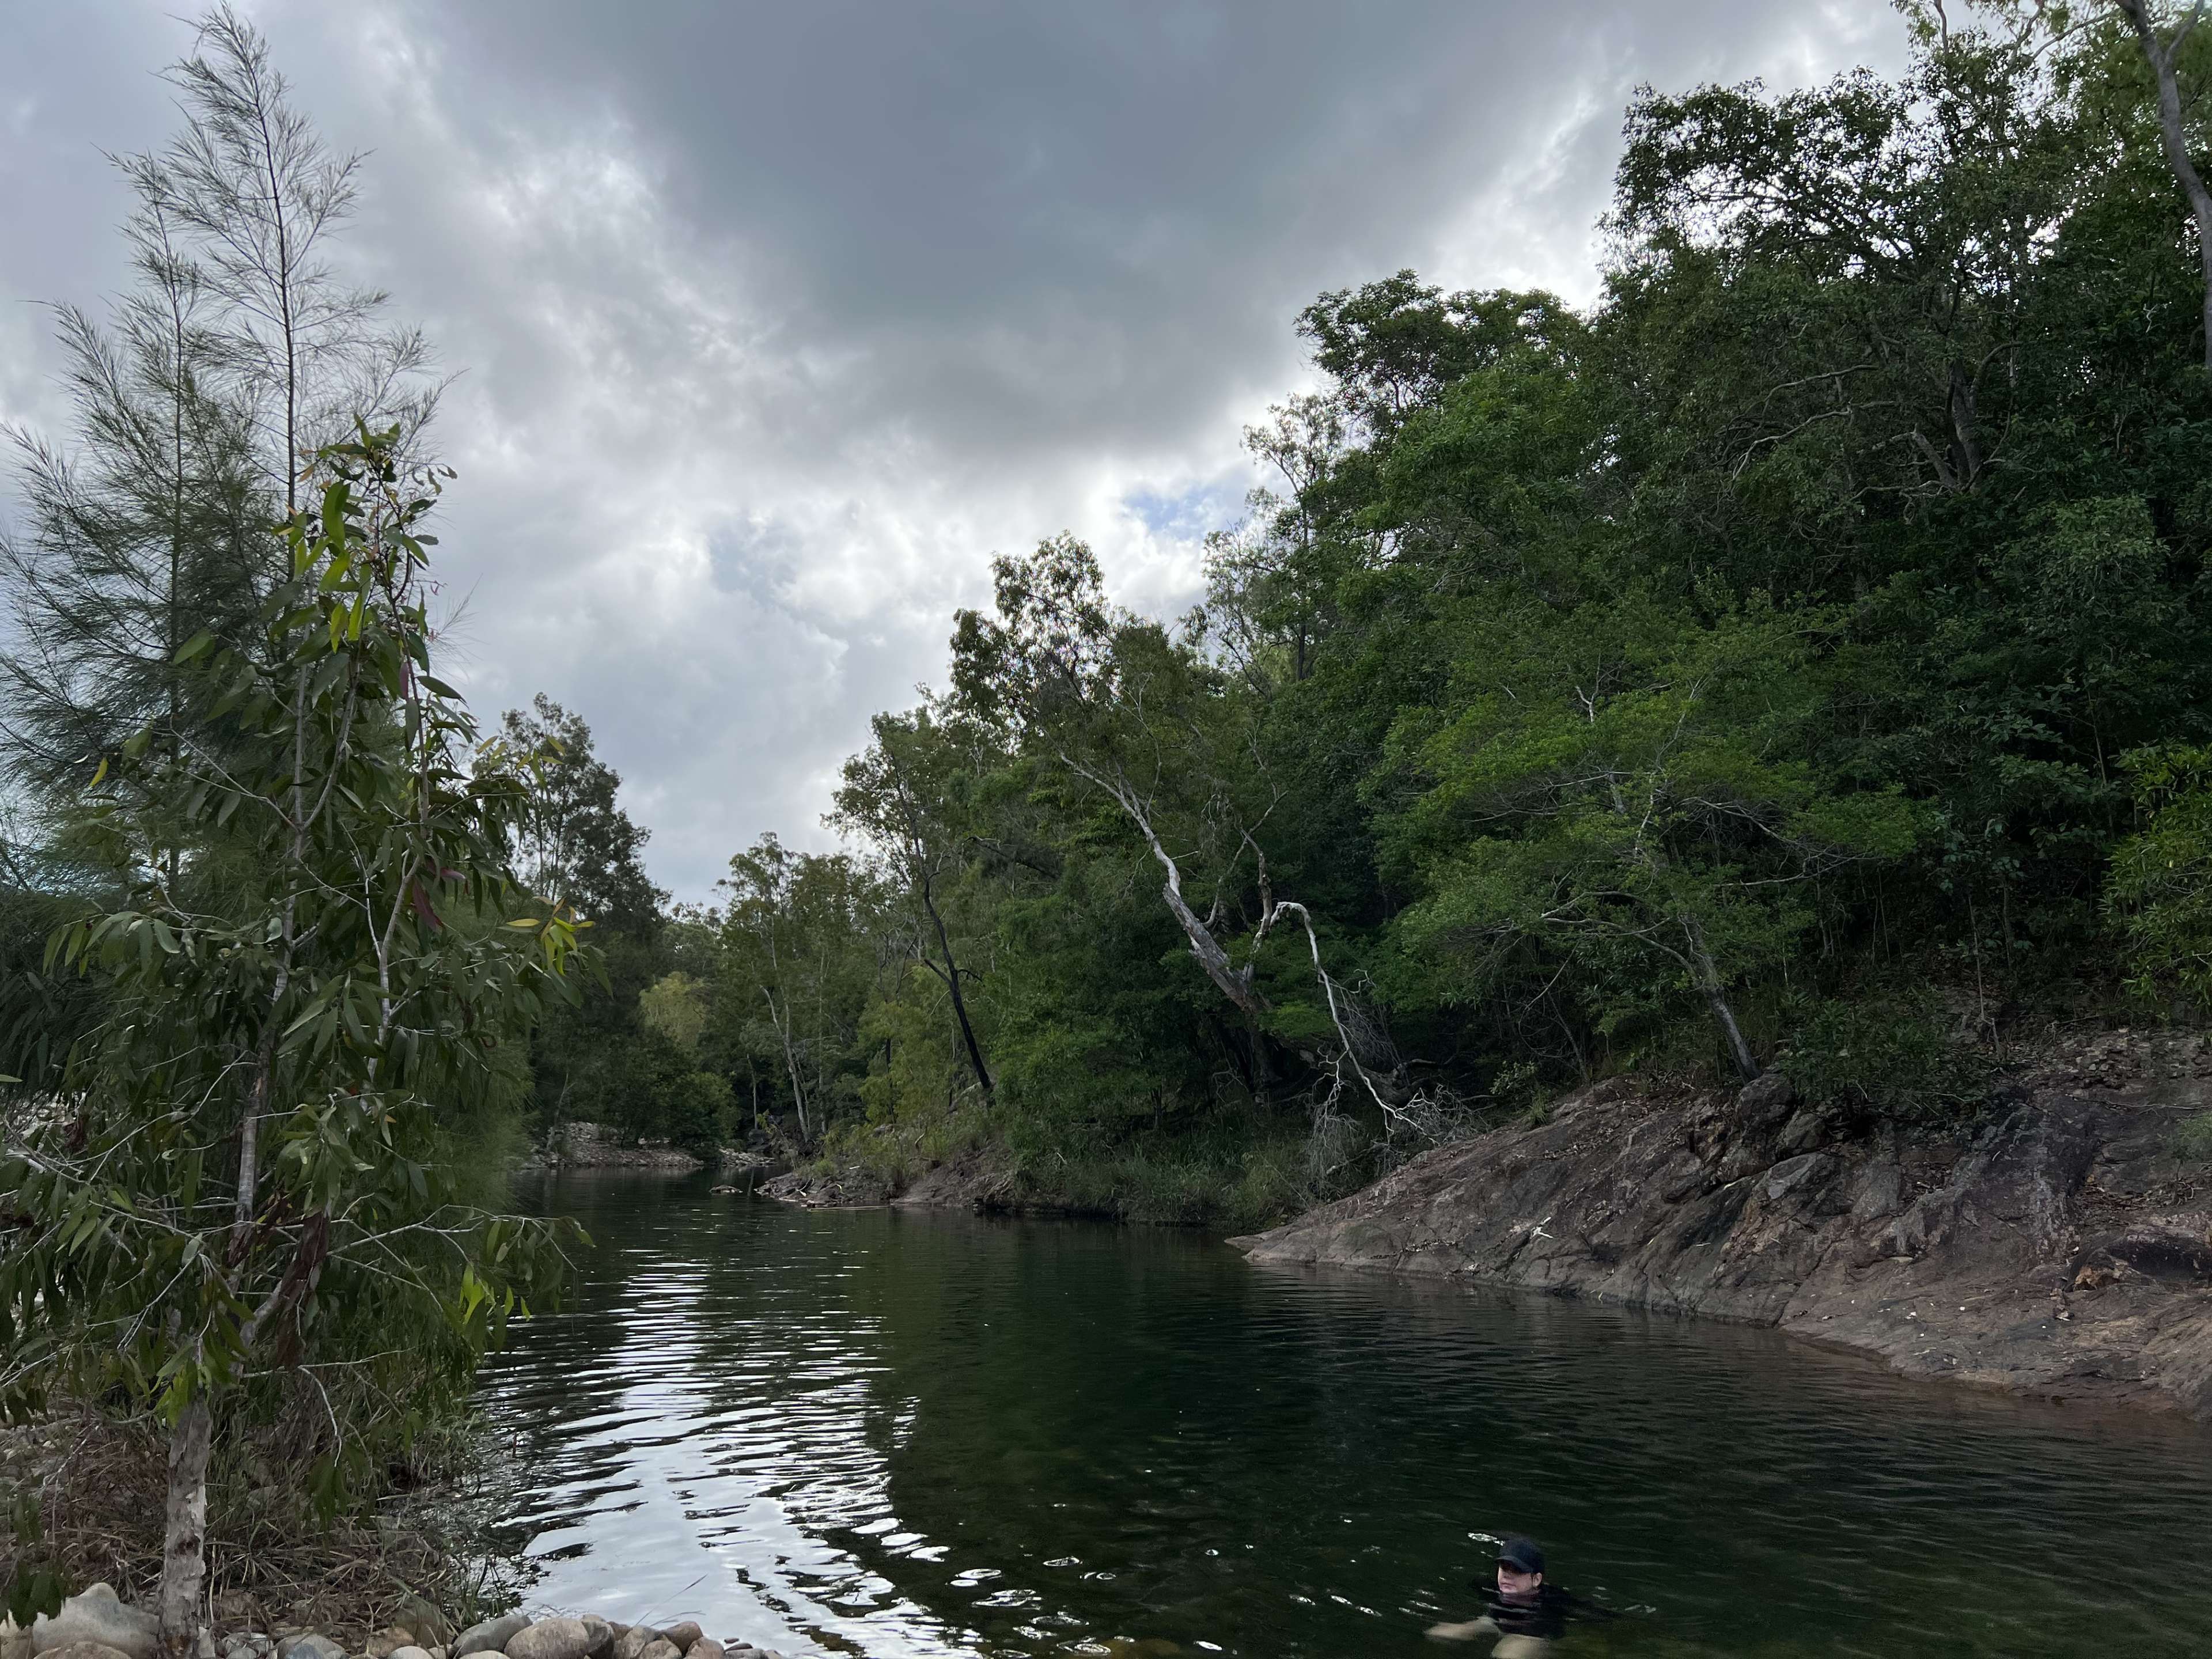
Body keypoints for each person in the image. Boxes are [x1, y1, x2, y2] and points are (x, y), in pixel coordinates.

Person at [1425, 1536, 1590, 1655]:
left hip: (1535, 1632)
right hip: (1501, 1620)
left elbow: (1589, 1614)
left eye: (1517, 1570)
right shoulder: (1488, 1586)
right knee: (1438, 1634)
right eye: (1504, 1567)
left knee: (1506, 1656)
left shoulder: (1553, 1601)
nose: (1507, 1575)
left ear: (1536, 1579)